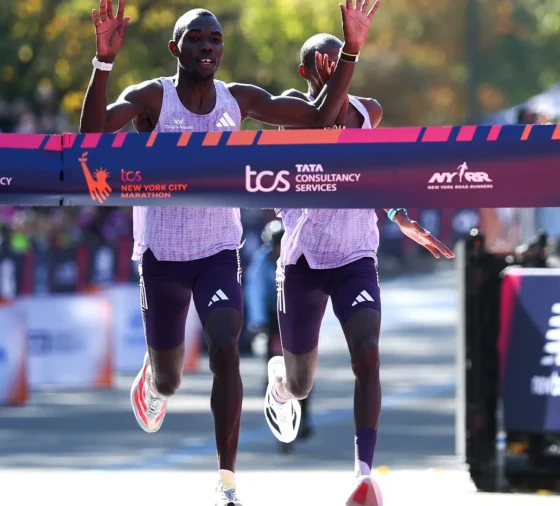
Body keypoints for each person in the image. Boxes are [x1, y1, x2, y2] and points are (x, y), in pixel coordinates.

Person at [78, 2, 381, 505]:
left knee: (226, 344)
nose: (207, 47)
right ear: (176, 48)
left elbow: (320, 117)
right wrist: (103, 62)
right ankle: (152, 377)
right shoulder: (153, 97)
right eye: (196, 39)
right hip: (162, 253)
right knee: (172, 379)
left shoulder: (235, 100)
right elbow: (90, 137)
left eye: (215, 40)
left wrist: (351, 49)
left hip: (219, 248)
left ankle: (226, 483)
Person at [263, 33, 455, 506]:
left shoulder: (369, 112)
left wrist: (399, 217)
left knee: (367, 353)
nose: (334, 70)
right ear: (307, 73)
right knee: (302, 383)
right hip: (303, 260)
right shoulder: (292, 112)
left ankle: (362, 475)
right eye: (323, 64)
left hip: (354, 256)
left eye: (341, 61)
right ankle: (281, 382)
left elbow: (370, 172)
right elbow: (323, 130)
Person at [244, 219, 313, 454]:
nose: (278, 251)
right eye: (274, 247)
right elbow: (255, 292)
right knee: (274, 365)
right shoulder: (261, 262)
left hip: (298, 316)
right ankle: (274, 394)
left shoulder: (301, 257)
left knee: (304, 371)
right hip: (274, 319)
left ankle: (305, 417)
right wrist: (257, 322)